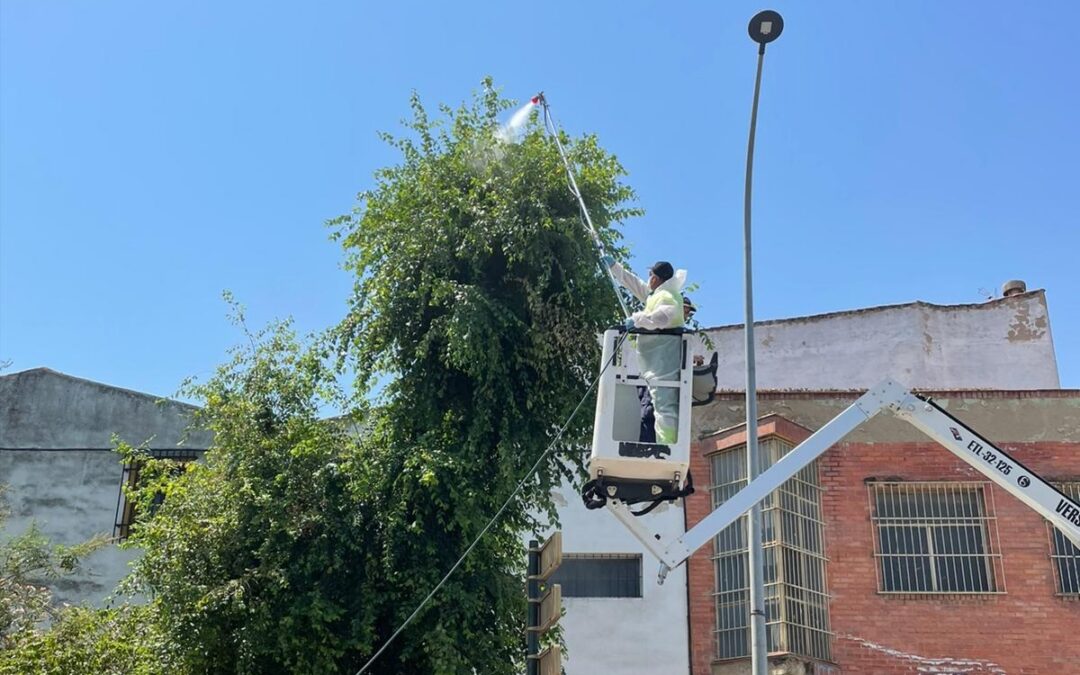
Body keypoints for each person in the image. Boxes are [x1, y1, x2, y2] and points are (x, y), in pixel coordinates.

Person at [602, 256, 686, 444]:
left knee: (665, 407)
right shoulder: (657, 295)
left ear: (656, 278)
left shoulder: (668, 297)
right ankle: (665, 445)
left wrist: (638, 320)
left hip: (663, 362)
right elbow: (634, 283)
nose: (648, 278)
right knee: (660, 405)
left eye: (650, 275)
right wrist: (615, 267)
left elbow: (663, 317)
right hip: (657, 362)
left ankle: (668, 448)